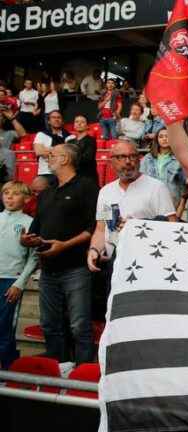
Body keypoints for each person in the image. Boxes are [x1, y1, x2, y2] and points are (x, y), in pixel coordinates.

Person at [20, 143, 99, 364]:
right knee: (49, 324)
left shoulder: (87, 187)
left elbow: (94, 228)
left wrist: (64, 245)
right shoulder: (47, 192)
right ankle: (57, 366)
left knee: (79, 325)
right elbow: (35, 229)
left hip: (76, 268)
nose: (48, 157)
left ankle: (82, 374)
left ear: (65, 159)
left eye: (53, 154)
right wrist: (26, 239)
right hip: (48, 270)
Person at [87, 140, 177, 295]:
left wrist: (138, 227)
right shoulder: (106, 192)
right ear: (112, 161)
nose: (128, 162)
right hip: (112, 264)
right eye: (121, 157)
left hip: (143, 265)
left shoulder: (156, 187)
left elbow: (172, 226)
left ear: (139, 159)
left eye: (132, 156)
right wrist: (94, 249)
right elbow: (101, 229)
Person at [0, 181, 38, 369]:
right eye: (6, 193)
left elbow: (33, 258)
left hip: (10, 281)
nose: (9, 197)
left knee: (5, 326)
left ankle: (8, 371)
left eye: (15, 194)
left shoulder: (29, 223)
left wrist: (20, 283)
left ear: (26, 199)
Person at [140, 128, 187, 215]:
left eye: (167, 136)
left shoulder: (179, 159)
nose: (164, 139)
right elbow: (140, 180)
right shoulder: (148, 158)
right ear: (157, 140)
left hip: (171, 202)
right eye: (161, 137)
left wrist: (181, 207)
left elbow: (184, 186)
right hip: (150, 201)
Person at [33, 110, 74, 180]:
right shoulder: (41, 135)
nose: (56, 119)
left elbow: (70, 155)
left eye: (59, 117)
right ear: (48, 121)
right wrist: (61, 152)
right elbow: (39, 152)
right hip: (45, 172)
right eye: (53, 117)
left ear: (62, 121)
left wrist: (48, 150)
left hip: (64, 173)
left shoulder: (71, 137)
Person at [70, 115, 99, 183]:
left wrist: (71, 158)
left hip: (87, 177)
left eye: (82, 122)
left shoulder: (91, 140)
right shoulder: (70, 142)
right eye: (76, 122)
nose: (79, 124)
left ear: (87, 126)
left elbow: (87, 158)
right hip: (73, 177)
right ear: (74, 125)